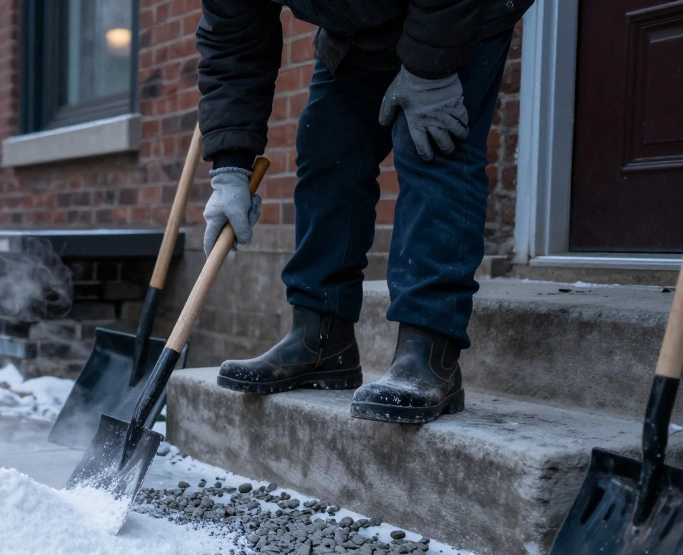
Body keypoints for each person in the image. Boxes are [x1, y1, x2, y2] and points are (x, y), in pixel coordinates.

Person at [196, 0, 532, 424]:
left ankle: (428, 352)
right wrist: (229, 168)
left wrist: (431, 71)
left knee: (431, 144)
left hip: (457, 15)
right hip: (357, 25)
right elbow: (234, 41)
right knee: (327, 147)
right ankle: (321, 339)